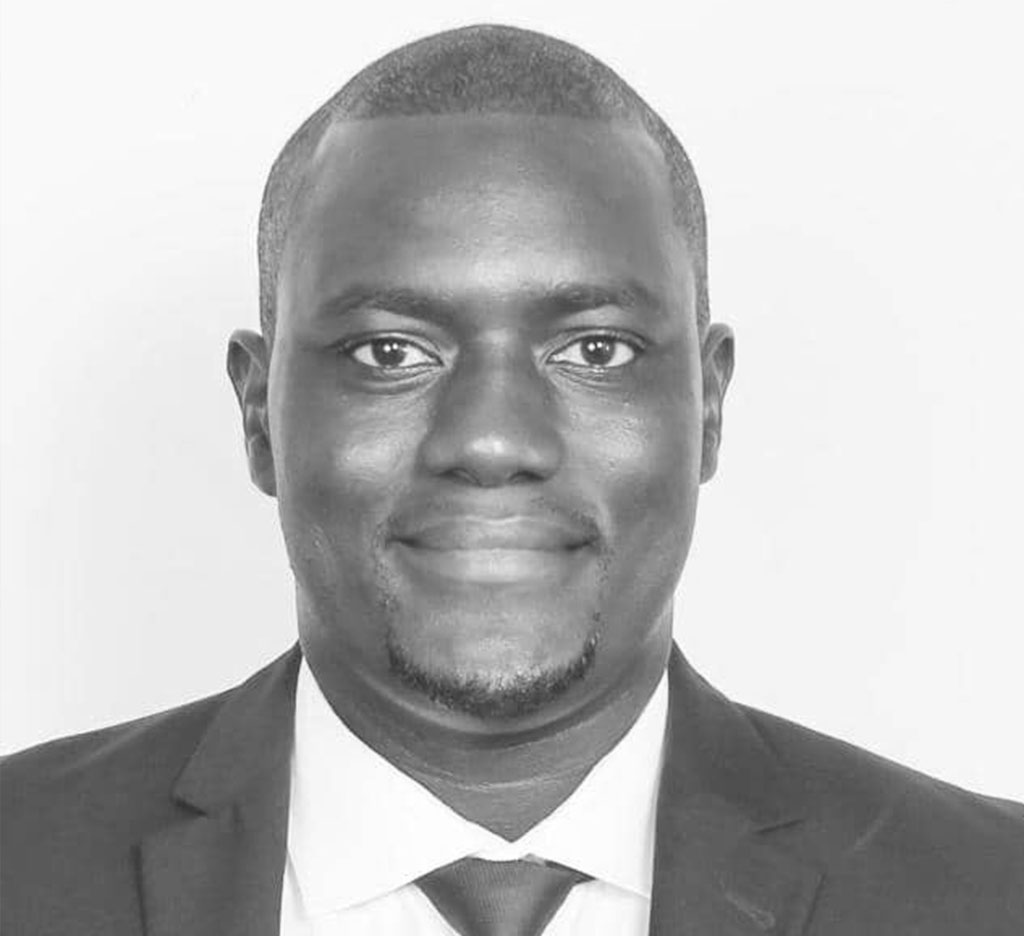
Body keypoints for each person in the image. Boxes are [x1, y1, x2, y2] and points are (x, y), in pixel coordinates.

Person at [2, 24, 1021, 936]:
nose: (491, 442)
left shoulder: (992, 893)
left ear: (708, 406)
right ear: (259, 413)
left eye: (596, 350)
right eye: (390, 353)